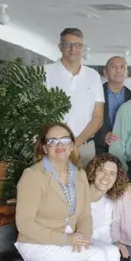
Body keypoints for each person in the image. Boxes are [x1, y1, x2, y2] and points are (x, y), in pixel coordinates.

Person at [14, 122, 131, 261]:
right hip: (35, 243)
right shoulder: (32, 175)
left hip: (68, 238)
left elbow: (85, 216)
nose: (60, 145)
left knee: (111, 251)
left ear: (72, 145)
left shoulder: (78, 175)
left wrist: (83, 239)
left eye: (65, 140)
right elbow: (25, 224)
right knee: (96, 255)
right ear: (44, 147)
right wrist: (68, 239)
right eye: (53, 141)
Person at [43, 28, 104, 165]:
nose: (73, 49)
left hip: (85, 147)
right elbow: (37, 112)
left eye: (78, 45)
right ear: (60, 47)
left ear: (83, 48)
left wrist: (75, 144)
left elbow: (98, 117)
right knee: (51, 185)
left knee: (84, 185)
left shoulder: (93, 75)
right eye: (67, 44)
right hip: (53, 146)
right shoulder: (45, 72)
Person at [94, 56, 131, 156]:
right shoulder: (93, 95)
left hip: (127, 154)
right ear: (105, 72)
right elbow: (85, 121)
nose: (118, 70)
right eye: (113, 67)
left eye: (122, 67)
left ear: (127, 73)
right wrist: (104, 135)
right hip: (99, 151)